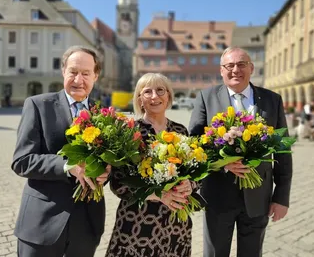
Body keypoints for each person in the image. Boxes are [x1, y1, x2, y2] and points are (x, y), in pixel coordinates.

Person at [189, 46, 293, 257]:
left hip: (258, 195)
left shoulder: (272, 100)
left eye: (241, 64)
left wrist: (281, 197)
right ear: (221, 70)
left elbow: (283, 151)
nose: (235, 70)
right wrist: (223, 163)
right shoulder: (206, 97)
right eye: (230, 65)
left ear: (251, 68)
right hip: (218, 194)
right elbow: (194, 143)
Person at [11, 45, 110, 257]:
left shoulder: (104, 116)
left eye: (85, 73)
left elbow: (105, 163)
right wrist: (68, 166)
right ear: (63, 71)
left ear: (95, 76)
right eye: (73, 72)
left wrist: (105, 173)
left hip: (85, 225)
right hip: (42, 223)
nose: (78, 80)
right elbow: (22, 161)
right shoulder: (38, 105)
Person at [105, 73, 195, 257]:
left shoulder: (180, 130)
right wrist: (159, 195)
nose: (155, 96)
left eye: (160, 90)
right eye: (147, 92)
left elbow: (194, 171)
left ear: (169, 95)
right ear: (139, 98)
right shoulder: (128, 132)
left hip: (175, 224)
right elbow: (118, 184)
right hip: (138, 224)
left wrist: (190, 185)